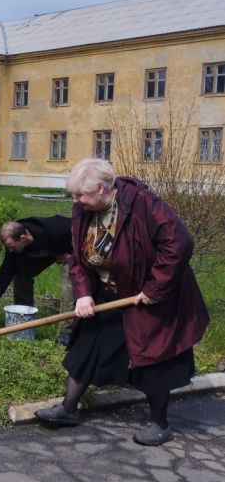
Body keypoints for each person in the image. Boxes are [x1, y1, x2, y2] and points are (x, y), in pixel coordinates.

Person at [34, 158, 209, 447]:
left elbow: (179, 243)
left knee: (153, 357)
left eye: (81, 195)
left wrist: (155, 287)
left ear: (101, 189)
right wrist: (84, 294)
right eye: (74, 195)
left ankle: (160, 423)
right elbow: (77, 254)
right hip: (108, 289)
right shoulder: (83, 210)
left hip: (150, 295)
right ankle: (67, 409)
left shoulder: (142, 203)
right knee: (86, 344)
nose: (76, 201)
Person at [0, 215, 73, 344]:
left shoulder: (56, 229)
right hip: (40, 254)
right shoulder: (14, 249)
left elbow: (81, 234)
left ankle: (67, 333)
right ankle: (24, 322)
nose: (10, 251)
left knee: (69, 284)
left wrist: (69, 253)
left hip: (67, 247)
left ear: (23, 238)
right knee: (21, 276)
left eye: (12, 246)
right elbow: (5, 273)